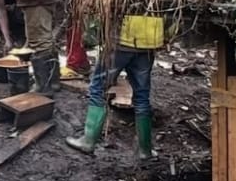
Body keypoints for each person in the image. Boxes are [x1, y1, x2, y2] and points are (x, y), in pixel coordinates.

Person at [65, 11, 164, 161]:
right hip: (148, 44)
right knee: (142, 96)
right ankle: (145, 150)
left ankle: (88, 141)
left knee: (98, 88)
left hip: (121, 42)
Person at [53, 0, 111, 76]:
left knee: (76, 17)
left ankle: (80, 62)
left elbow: (65, 14)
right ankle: (79, 61)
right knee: (74, 18)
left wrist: (54, 39)